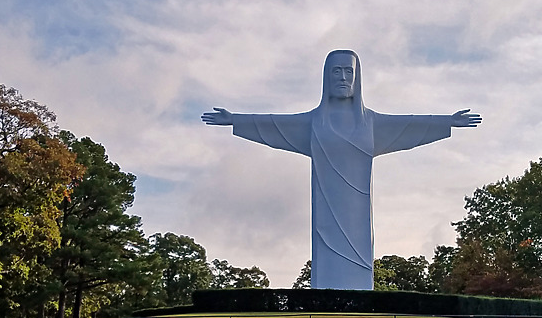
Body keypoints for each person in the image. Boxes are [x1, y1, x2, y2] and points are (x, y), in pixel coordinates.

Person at [202, 50, 481, 289]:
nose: (343, 78)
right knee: (326, 256)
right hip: (325, 210)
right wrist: (235, 120)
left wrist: (447, 122)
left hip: (358, 212)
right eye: (336, 71)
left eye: (349, 71)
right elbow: (274, 124)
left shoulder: (371, 123)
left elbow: (408, 125)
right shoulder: (313, 123)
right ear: (326, 77)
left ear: (357, 78)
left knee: (358, 254)